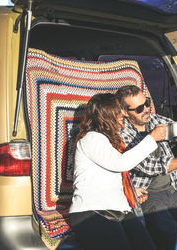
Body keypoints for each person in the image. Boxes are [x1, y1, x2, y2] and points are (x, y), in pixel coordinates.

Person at [115, 85, 177, 250]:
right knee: (171, 239)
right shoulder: (122, 132)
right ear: (125, 112)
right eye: (140, 108)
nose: (146, 109)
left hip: (174, 190)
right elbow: (148, 166)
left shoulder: (154, 120)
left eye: (146, 103)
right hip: (148, 196)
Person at [69, 93, 166, 250]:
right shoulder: (91, 138)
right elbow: (121, 164)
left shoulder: (107, 140)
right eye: (118, 110)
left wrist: (132, 190)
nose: (122, 114)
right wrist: (152, 139)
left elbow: (104, 176)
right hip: (92, 212)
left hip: (116, 209)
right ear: (106, 114)